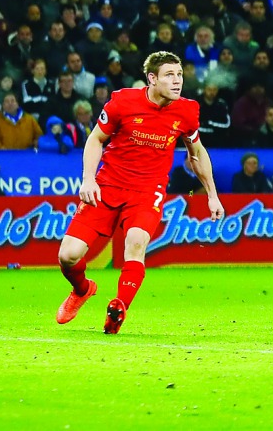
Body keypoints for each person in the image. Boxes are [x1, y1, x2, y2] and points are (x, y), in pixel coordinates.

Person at [56, 51, 224, 335]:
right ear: (152, 79)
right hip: (108, 185)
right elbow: (96, 139)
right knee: (68, 256)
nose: (177, 81)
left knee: (135, 242)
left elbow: (197, 153)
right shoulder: (123, 101)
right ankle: (82, 290)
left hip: (148, 191)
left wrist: (212, 194)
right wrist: (88, 179)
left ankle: (119, 307)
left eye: (180, 75)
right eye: (169, 75)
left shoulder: (187, 110)